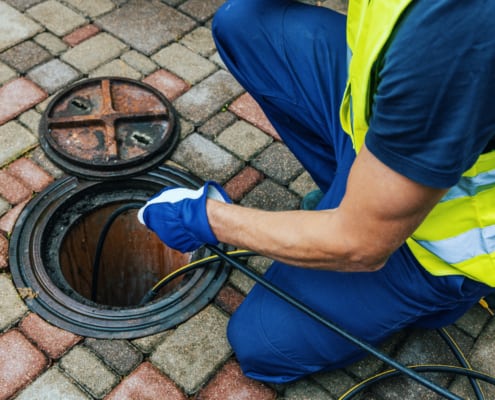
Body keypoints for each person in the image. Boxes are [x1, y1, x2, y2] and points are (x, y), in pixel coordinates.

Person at [139, 0, 495, 384]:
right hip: (384, 124)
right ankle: (355, 196)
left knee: (263, 344)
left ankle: (439, 298)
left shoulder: (457, 33)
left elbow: (360, 243)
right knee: (244, 22)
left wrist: (206, 218)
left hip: (433, 242)